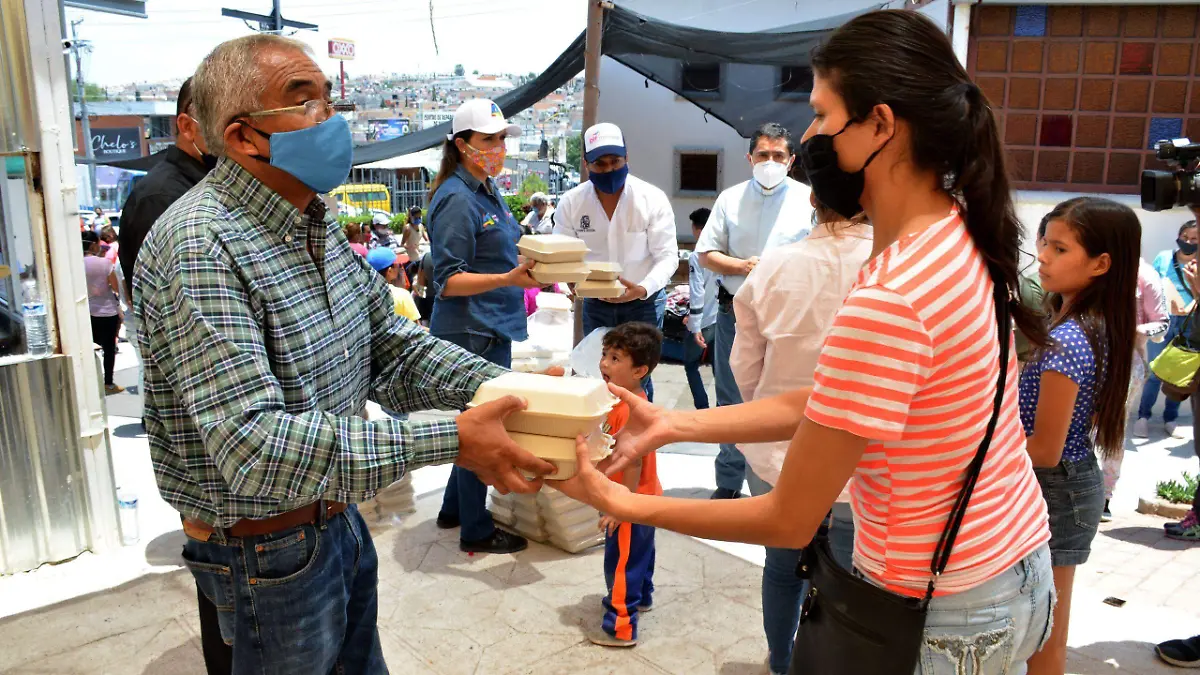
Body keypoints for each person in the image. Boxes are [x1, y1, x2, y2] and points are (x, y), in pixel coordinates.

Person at [549, 11, 1055, 674]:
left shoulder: (894, 293)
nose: (809, 137)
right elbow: (837, 400)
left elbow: (790, 519)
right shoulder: (958, 233)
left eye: (821, 114)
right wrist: (672, 422)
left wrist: (622, 501)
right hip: (1013, 566)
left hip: (942, 610)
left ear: (879, 124)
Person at [135, 35, 554, 674]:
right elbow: (254, 447)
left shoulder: (318, 220)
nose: (332, 121)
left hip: (338, 518)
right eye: (306, 104)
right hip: (266, 552)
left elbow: (390, 349)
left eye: (331, 101)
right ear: (246, 137)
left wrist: (517, 394)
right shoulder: (200, 245)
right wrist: (450, 441)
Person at [116, 75, 229, 675]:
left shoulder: (199, 185)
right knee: (226, 587)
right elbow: (187, 334)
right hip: (205, 427)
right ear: (189, 125)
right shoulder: (168, 199)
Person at [729, 195, 870, 675]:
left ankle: (784, 662)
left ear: (812, 197)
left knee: (783, 568)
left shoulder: (774, 265)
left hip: (778, 454)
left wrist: (768, 414)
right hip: (864, 463)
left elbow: (744, 368)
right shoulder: (894, 267)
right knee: (850, 581)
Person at [1019, 197, 1139, 675]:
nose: (1043, 256)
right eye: (1045, 242)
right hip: (1062, 482)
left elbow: (1045, 449)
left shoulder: (1070, 338)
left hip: (1057, 487)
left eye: (1061, 248)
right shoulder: (1074, 322)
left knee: (1046, 630)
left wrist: (977, 444)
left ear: (1101, 264)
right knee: (1040, 622)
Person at [427, 97, 541, 555]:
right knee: (483, 431)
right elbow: (448, 281)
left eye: (501, 139)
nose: (498, 148)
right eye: (488, 140)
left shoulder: (484, 189)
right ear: (461, 144)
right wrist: (508, 278)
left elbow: (498, 251)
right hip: (471, 330)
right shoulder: (456, 198)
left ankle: (454, 508)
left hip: (492, 324)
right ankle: (475, 528)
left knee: (472, 424)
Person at [695, 122, 814, 500]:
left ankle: (776, 484)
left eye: (778, 156)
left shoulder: (809, 199)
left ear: (791, 161)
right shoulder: (730, 199)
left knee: (782, 399)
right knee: (731, 400)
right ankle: (729, 483)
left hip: (788, 317)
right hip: (736, 314)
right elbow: (706, 254)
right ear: (749, 158)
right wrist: (744, 266)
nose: (770, 162)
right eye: (762, 155)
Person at [552, 122, 678, 400]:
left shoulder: (651, 199)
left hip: (643, 302)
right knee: (598, 374)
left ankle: (640, 438)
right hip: (596, 304)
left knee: (637, 377)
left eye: (615, 161)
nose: (609, 169)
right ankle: (603, 436)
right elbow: (559, 251)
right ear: (586, 165)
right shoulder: (572, 203)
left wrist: (642, 288)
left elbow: (668, 256)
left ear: (626, 158)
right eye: (600, 163)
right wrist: (569, 280)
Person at [590, 322, 663, 648]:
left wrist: (619, 505)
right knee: (640, 556)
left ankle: (620, 625)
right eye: (605, 354)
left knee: (621, 562)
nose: (604, 363)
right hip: (648, 497)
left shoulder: (625, 410)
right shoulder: (634, 400)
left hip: (630, 500)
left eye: (616, 358)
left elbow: (631, 462)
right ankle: (642, 596)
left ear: (640, 370)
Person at [1102, 256, 1168, 520]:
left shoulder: (1145, 275)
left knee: (1112, 429)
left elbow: (1162, 322)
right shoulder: (1087, 261)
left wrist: (1136, 330)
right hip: (1083, 354)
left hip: (1126, 363)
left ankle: (1104, 496)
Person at [1135, 220, 1199, 438]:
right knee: (1154, 370)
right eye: (1185, 237)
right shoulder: (1164, 257)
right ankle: (1143, 417)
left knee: (1178, 374)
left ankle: (1170, 419)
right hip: (1164, 319)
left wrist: (1191, 304)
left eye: (1194, 239)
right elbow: (1153, 284)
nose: (1188, 242)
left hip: (1189, 322)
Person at [684, 207, 717, 410]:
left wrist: (694, 324)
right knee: (719, 366)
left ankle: (702, 406)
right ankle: (724, 406)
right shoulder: (724, 251)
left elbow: (697, 292)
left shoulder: (697, 255)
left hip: (703, 320)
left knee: (690, 364)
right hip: (720, 318)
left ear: (698, 229)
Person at [84, 230, 123, 395]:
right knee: (109, 349)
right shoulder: (105, 264)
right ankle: (108, 383)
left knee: (88, 348)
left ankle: (90, 383)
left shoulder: (73, 265)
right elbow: (116, 288)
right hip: (107, 311)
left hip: (87, 312)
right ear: (94, 244)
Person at [366, 246, 421, 324]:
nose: (401, 268)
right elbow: (416, 328)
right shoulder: (402, 295)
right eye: (398, 265)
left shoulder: (362, 293)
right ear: (390, 271)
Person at [401, 205, 427, 278]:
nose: (418, 219)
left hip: (419, 252)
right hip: (412, 255)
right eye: (416, 218)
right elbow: (402, 244)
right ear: (411, 217)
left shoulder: (421, 226)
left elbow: (426, 240)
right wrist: (409, 247)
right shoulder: (408, 228)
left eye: (419, 217)